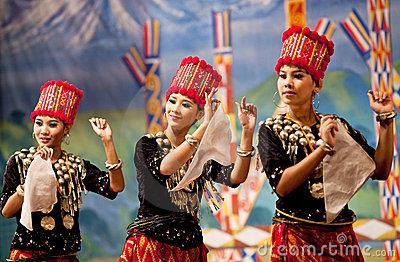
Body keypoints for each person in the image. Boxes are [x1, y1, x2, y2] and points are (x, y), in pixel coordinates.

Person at [257, 26, 395, 261]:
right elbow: (281, 186)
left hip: (339, 236)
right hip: (295, 236)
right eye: (283, 75)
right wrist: (323, 148)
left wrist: (385, 122)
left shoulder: (335, 126)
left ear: (317, 85)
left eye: (298, 75)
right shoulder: (271, 130)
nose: (288, 82)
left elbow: (380, 171)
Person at [119, 56, 257, 261]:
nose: (175, 108)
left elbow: (235, 178)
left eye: (185, 104)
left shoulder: (201, 155)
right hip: (151, 245)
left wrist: (247, 133)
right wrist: (203, 129)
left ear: (199, 113)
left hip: (189, 248)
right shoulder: (147, 145)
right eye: (172, 100)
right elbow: (165, 168)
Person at [0, 80, 125, 261]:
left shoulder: (74, 166)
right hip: (27, 255)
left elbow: (115, 187)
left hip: (65, 256)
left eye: (52, 124)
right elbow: (6, 211)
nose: (43, 130)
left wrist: (107, 142)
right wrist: (32, 176)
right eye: (38, 123)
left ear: (66, 129)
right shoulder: (20, 161)